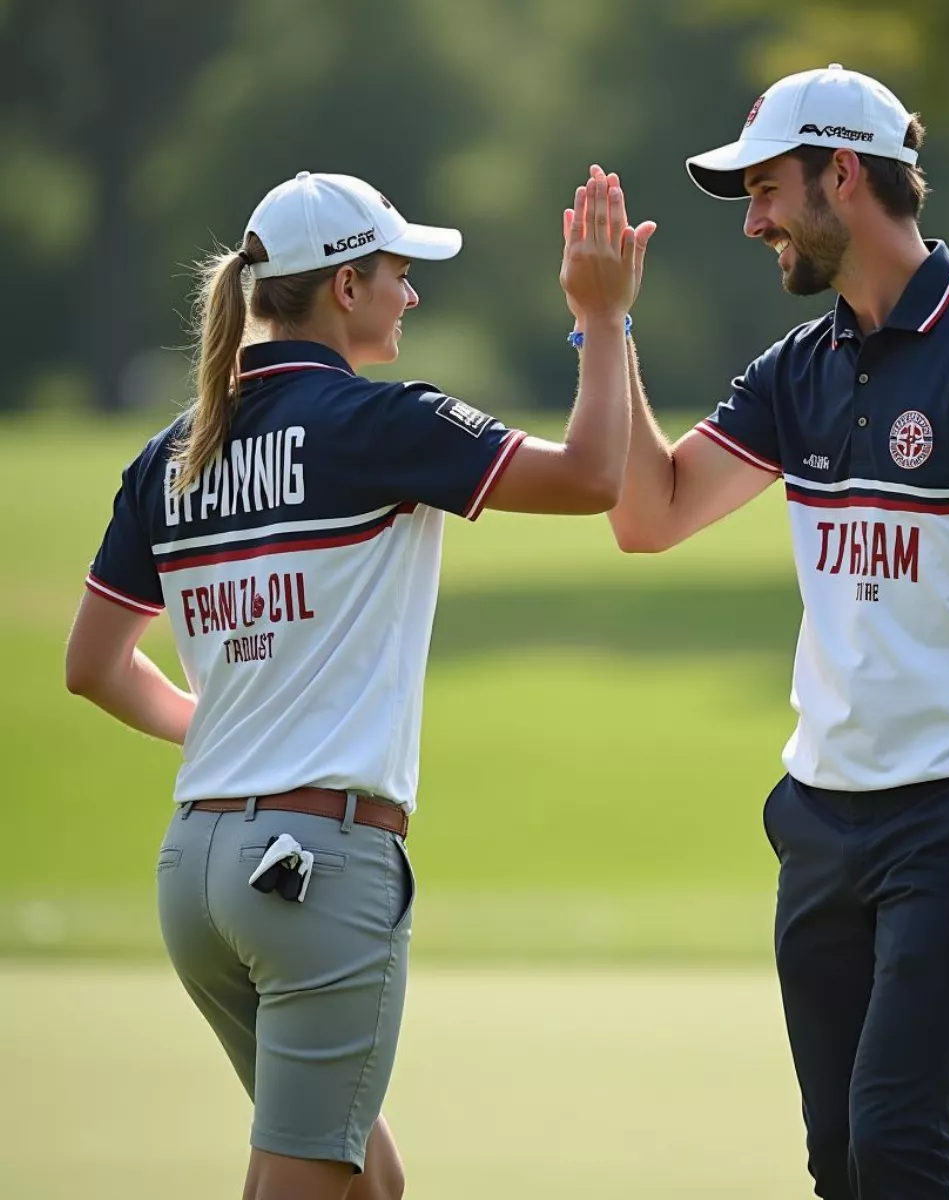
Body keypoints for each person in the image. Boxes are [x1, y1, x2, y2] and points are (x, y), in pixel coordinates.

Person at [64, 169, 655, 1200]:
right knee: (300, 1178)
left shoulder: (173, 451)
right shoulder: (379, 422)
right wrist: (601, 321)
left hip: (196, 869)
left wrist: (224, 732)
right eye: (396, 272)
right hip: (314, 871)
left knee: (360, 1176)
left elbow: (92, 666)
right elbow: (596, 477)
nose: (410, 294)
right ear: (343, 287)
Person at [599, 65, 949, 1200]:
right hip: (821, 820)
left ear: (842, 173)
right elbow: (651, 514)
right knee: (841, 1164)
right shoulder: (800, 368)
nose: (756, 220)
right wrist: (607, 326)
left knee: (898, 1142)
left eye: (768, 190)